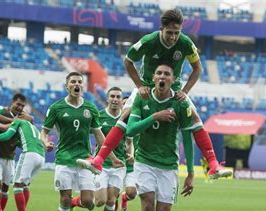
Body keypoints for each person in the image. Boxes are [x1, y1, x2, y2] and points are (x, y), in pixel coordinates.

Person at [85, 8, 231, 180]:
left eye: (176, 33)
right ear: (161, 29)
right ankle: (99, 160)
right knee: (124, 117)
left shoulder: (185, 43)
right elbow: (128, 61)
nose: (173, 37)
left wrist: (184, 91)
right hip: (147, 86)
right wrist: (139, 86)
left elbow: (198, 68)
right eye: (169, 32)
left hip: (174, 89)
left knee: (195, 119)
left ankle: (213, 165)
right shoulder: (148, 41)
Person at [40, 72, 123, 211]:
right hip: (64, 159)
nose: (76, 84)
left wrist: (112, 158)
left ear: (82, 86)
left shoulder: (90, 108)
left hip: (85, 160)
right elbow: (44, 132)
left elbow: (100, 137)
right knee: (64, 198)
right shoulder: (56, 108)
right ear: (67, 86)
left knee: (89, 202)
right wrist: (46, 142)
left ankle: (73, 204)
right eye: (73, 82)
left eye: (79, 81)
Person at [126, 64, 195, 211]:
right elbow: (130, 130)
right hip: (144, 161)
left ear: (173, 80)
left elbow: (187, 138)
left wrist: (191, 173)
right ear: (153, 77)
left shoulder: (180, 103)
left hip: (168, 165)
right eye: (159, 73)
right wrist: (155, 116)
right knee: (148, 205)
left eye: (166, 74)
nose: (162, 77)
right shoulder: (142, 98)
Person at [0, 118, 45, 211]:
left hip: (29, 154)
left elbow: (6, 136)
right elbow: (20, 142)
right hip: (41, 156)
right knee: (24, 185)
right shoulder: (34, 128)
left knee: (17, 185)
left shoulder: (18, 121)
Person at [93, 87, 133, 211]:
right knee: (99, 201)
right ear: (107, 98)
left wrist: (130, 153)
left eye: (118, 97)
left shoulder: (127, 118)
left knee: (111, 201)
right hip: (102, 164)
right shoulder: (99, 116)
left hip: (119, 165)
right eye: (113, 96)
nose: (115, 99)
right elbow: (90, 135)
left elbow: (129, 141)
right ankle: (80, 200)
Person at [0, 93, 29, 211]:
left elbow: (30, 120)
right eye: (18, 104)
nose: (19, 107)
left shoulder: (22, 117)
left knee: (6, 187)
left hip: (10, 157)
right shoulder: (2, 110)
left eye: (22, 106)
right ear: (12, 102)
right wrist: (14, 122)